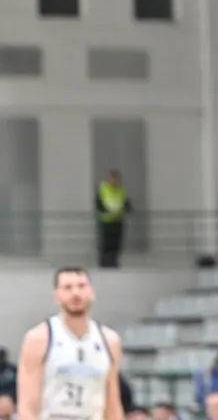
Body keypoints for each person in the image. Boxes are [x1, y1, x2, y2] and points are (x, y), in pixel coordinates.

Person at [16, 267, 123, 420]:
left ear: (92, 292)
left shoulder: (110, 340)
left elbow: (112, 402)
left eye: (81, 286)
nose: (75, 293)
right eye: (67, 287)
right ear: (56, 295)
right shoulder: (39, 338)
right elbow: (26, 406)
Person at [95, 171, 130, 268]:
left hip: (118, 220)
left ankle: (113, 261)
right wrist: (106, 211)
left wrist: (127, 209)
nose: (114, 181)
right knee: (106, 242)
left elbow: (125, 201)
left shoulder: (120, 190)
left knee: (116, 243)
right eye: (113, 179)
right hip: (106, 220)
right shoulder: (103, 189)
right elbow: (99, 203)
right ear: (108, 179)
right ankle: (104, 261)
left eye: (116, 180)